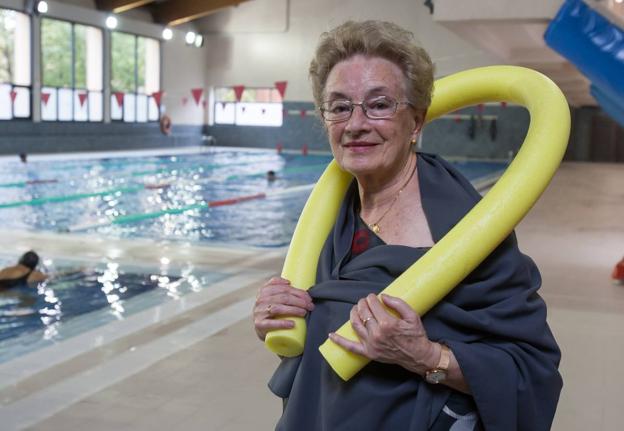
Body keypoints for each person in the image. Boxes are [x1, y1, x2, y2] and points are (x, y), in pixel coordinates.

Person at [252, 20, 562, 431]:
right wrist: (277, 315)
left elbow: (531, 368)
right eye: (340, 106)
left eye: (379, 104)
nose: (356, 124)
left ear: (416, 122)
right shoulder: (328, 220)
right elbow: (325, 341)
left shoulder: (465, 228)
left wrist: (427, 356)